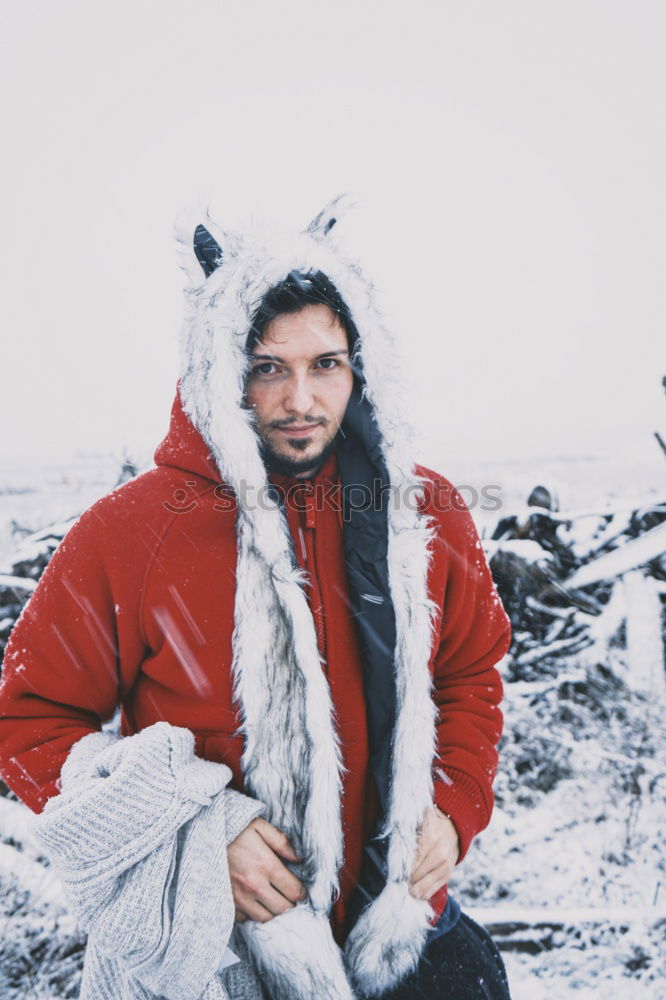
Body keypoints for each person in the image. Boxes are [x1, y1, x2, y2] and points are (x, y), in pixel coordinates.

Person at [0, 197, 512, 999]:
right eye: (268, 366)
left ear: (359, 364)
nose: (301, 400)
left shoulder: (427, 515)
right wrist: (198, 836)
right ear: (219, 366)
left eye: (325, 364)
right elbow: (29, 722)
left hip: (407, 940)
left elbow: (471, 674)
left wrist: (453, 805)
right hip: (222, 960)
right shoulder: (133, 533)